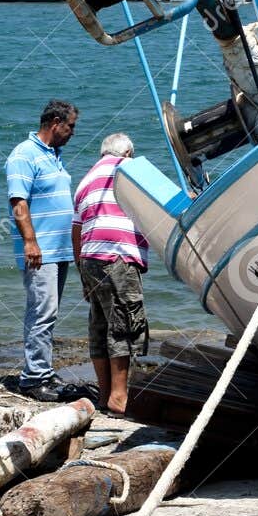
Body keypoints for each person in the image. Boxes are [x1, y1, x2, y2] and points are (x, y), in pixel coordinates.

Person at [74, 132, 153, 415]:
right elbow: (163, 200)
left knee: (100, 324)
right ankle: (119, 397)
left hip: (90, 258)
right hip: (118, 257)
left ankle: (105, 393)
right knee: (124, 324)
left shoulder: (85, 181)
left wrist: (82, 272)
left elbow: (76, 230)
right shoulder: (129, 169)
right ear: (128, 153)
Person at [6, 99, 79, 402]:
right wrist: (30, 242)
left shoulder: (53, 155)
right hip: (42, 249)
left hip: (59, 249)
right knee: (42, 311)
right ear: (55, 123)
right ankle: (33, 379)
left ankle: (43, 371)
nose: (73, 132)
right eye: (70, 126)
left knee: (49, 311)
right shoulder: (25, 155)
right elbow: (18, 202)